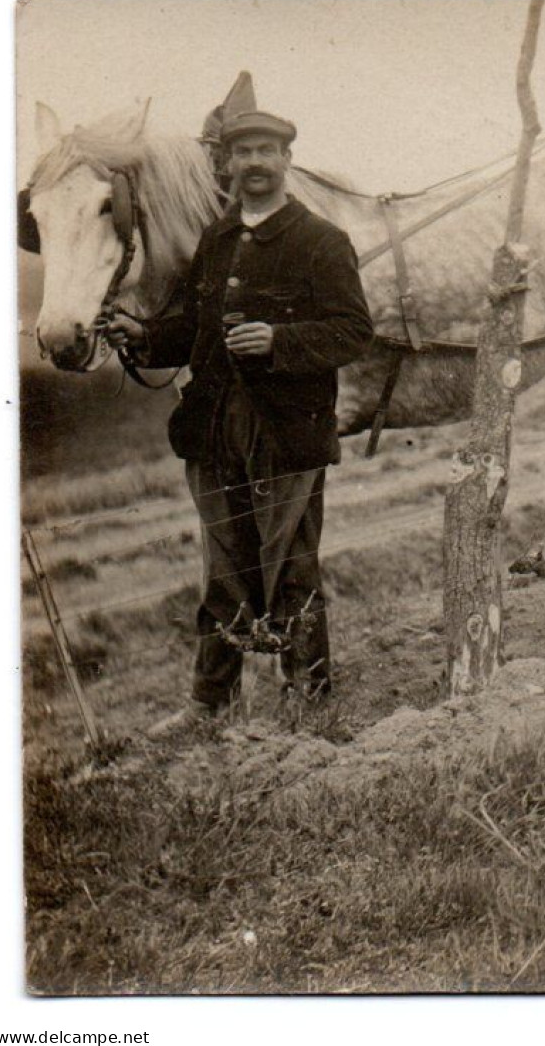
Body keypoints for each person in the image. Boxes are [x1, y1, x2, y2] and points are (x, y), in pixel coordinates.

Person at [106, 108, 374, 725]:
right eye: (242, 152)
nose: (253, 163)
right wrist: (143, 335)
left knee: (290, 564)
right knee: (223, 566)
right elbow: (194, 331)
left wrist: (279, 340)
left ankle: (309, 696)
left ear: (286, 161)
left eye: (266, 151)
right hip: (213, 423)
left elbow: (354, 331)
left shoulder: (322, 241)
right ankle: (210, 702)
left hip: (287, 429)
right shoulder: (218, 240)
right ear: (226, 164)